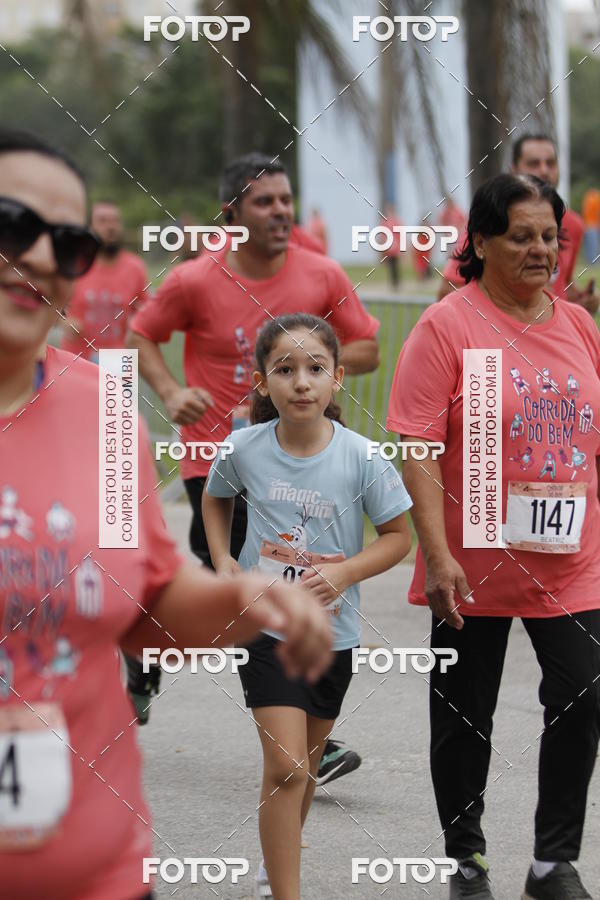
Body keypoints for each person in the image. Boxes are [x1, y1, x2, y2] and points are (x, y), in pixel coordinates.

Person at [0, 128, 333, 900]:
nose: (44, 258)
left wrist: (247, 598)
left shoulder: (103, 413)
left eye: (71, 243)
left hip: (102, 876)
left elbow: (145, 604)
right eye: (17, 228)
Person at [125, 153, 379, 779]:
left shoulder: (320, 274)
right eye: (264, 202)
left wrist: (303, 364)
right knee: (248, 579)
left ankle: (154, 652)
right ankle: (297, 740)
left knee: (275, 578)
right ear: (230, 214)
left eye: (286, 200)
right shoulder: (194, 279)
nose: (281, 212)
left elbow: (370, 344)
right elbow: (141, 334)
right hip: (215, 455)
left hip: (297, 456)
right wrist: (171, 391)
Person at [388, 173, 599, 899]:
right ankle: (466, 861)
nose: (542, 250)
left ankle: (552, 862)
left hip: (572, 560)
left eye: (552, 237)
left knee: (583, 691)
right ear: (480, 242)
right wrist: (437, 555)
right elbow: (413, 442)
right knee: (463, 719)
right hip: (470, 563)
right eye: (524, 237)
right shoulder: (448, 324)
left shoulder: (578, 326)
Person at [202, 313, 412, 900]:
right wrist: (222, 562)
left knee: (304, 770)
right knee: (287, 766)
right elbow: (215, 503)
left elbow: (399, 538)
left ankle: (277, 863)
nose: (301, 382)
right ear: (262, 383)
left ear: (338, 378)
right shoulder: (243, 446)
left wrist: (345, 571)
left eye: (315, 369)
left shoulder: (364, 458)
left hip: (333, 635)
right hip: (264, 627)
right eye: (285, 370)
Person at [437, 134, 599, 314]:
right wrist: (498, 324)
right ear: (514, 170)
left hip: (551, 334)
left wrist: (580, 301)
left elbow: (562, 283)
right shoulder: (492, 220)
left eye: (551, 163)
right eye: (533, 163)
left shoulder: (574, 225)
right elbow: (448, 291)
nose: (544, 170)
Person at [61, 201, 149, 360]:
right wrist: (64, 322)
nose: (111, 227)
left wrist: (137, 323)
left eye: (115, 221)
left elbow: (146, 311)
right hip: (77, 359)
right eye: (102, 221)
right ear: (89, 227)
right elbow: (49, 302)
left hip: (120, 360)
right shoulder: (74, 263)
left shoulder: (136, 267)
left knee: (126, 387)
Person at [381, 203, 403, 289]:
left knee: (395, 265)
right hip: (389, 247)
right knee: (390, 265)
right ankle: (393, 282)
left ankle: (396, 282)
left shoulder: (396, 221)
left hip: (395, 247)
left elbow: (400, 234)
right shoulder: (385, 222)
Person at [581, 188, 600, 265]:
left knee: (589, 246)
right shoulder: (596, 198)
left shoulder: (587, 198)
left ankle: (589, 262)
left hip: (587, 225)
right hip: (593, 225)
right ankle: (594, 263)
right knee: (593, 245)